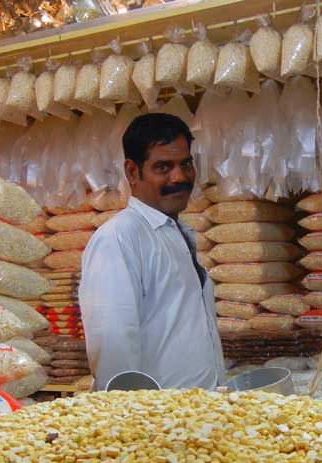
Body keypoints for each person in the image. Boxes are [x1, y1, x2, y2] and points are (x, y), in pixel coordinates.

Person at [79, 113, 225, 390]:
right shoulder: (119, 238)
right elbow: (113, 346)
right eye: (163, 167)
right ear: (133, 172)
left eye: (186, 164)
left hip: (196, 417)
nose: (179, 177)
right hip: (156, 424)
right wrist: (131, 425)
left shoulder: (175, 233)